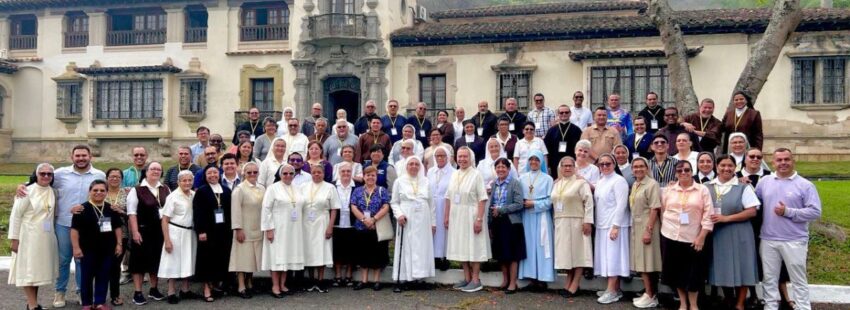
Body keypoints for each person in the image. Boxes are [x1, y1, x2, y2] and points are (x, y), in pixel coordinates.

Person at [756, 148, 821, 310]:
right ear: (773, 162)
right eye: (779, 160)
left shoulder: (805, 185)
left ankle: (803, 307)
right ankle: (770, 307)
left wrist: (789, 212)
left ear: (793, 161)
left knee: (798, 280)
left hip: (795, 240)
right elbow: (755, 203)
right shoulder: (764, 182)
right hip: (768, 239)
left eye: (787, 159)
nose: (783, 163)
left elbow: (815, 211)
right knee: (769, 279)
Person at [706, 155, 760, 310]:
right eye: (723, 165)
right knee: (723, 267)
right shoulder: (708, 186)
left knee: (743, 267)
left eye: (730, 165)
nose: (726, 168)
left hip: (740, 233)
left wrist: (726, 219)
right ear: (717, 167)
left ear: (735, 168)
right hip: (718, 235)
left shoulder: (743, 187)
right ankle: (729, 299)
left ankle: (740, 303)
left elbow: (751, 212)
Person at [661, 160, 714, 310]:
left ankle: (694, 305)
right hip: (671, 236)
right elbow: (664, 210)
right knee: (676, 273)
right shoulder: (669, 190)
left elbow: (708, 214)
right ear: (675, 173)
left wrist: (702, 236)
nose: (683, 173)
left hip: (693, 238)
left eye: (687, 170)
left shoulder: (702, 190)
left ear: (692, 171)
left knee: (693, 275)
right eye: (679, 170)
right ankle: (683, 304)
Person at [8, 163, 58, 310]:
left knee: (36, 272)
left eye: (49, 174)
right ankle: (33, 306)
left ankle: (32, 304)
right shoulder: (26, 191)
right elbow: (15, 216)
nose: (46, 176)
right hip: (27, 237)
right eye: (42, 173)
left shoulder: (52, 191)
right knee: (27, 271)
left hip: (45, 238)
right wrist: (14, 239)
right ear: (36, 175)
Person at [444, 147, 491, 293]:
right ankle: (467, 277)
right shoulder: (454, 174)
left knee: (474, 246)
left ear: (470, 158)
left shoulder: (476, 175)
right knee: (461, 247)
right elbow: (448, 197)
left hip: (472, 215)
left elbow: (482, 199)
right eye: (460, 156)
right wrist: (446, 216)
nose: (462, 159)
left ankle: (476, 280)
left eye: (465, 156)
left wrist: (479, 219)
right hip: (456, 216)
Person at [72, 180, 123, 310]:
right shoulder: (81, 209)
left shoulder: (111, 208)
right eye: (95, 190)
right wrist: (76, 248)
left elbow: (117, 228)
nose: (98, 193)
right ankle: (87, 303)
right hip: (87, 250)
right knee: (86, 277)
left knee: (103, 275)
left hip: (107, 249)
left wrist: (119, 244)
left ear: (106, 192)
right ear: (90, 192)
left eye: (102, 190)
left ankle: (100, 302)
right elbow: (74, 230)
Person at [126, 162, 169, 305]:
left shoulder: (165, 189)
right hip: (143, 230)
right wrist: (135, 232)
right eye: (153, 169)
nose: (156, 171)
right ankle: (137, 292)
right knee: (139, 263)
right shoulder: (137, 190)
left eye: (159, 169)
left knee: (155, 261)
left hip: (160, 231)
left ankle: (154, 289)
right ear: (146, 171)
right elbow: (132, 213)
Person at [390, 156, 435, 292]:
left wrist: (433, 223)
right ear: (406, 166)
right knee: (406, 247)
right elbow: (394, 202)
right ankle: (404, 278)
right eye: (411, 164)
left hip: (423, 219)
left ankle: (419, 278)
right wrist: (399, 215)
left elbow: (431, 204)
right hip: (406, 218)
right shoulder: (399, 181)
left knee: (422, 248)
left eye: (417, 164)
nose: (414, 166)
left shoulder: (426, 181)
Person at [551, 157, 593, 298]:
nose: (567, 168)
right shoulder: (557, 184)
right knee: (567, 255)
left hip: (577, 222)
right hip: (561, 222)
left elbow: (588, 202)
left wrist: (588, 221)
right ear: (560, 167)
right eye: (565, 166)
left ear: (575, 167)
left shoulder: (581, 183)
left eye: (570, 166)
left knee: (578, 253)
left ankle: (575, 284)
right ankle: (568, 281)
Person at [593, 154, 631, 304]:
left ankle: (611, 291)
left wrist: (615, 226)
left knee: (614, 258)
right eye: (601, 164)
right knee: (607, 258)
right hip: (602, 224)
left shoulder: (619, 181)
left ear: (614, 164)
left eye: (607, 164)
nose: (604, 166)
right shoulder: (601, 181)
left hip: (615, 225)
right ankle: (615, 289)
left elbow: (622, 205)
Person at [261, 164, 304, 298]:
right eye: (285, 173)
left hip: (293, 229)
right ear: (280, 174)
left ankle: (283, 284)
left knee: (287, 256)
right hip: (277, 228)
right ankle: (275, 286)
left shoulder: (297, 189)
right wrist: (269, 229)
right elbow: (266, 209)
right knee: (276, 257)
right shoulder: (272, 188)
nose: (288, 176)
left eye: (291, 173)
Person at [193, 165, 233, 302]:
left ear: (219, 174)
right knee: (206, 259)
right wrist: (201, 231)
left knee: (220, 258)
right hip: (208, 231)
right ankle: (206, 288)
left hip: (223, 231)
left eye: (215, 172)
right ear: (205, 176)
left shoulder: (227, 191)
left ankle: (215, 284)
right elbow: (198, 213)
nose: (212, 175)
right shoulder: (202, 191)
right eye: (209, 173)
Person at [157, 171, 197, 304]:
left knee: (187, 260)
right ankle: (171, 291)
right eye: (184, 180)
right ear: (178, 182)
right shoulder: (173, 197)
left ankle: (185, 290)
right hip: (175, 232)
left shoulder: (193, 195)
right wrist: (167, 240)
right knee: (173, 262)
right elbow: (164, 219)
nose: (187, 183)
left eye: (189, 180)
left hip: (189, 233)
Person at [627, 157, 663, 308]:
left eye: (641, 166)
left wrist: (648, 230)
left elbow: (655, 208)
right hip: (637, 224)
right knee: (642, 261)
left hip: (648, 225)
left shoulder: (652, 184)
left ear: (647, 168)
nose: (638, 169)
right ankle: (649, 293)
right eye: (635, 167)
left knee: (648, 262)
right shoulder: (636, 184)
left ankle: (651, 295)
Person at [350, 166, 392, 291]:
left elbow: (386, 207)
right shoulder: (357, 191)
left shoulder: (381, 190)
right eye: (368, 175)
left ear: (376, 177)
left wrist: (373, 220)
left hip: (377, 227)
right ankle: (363, 280)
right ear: (363, 176)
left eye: (373, 175)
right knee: (363, 253)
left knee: (378, 253)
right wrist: (364, 220)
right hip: (361, 227)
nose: (370, 177)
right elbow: (353, 206)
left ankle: (377, 281)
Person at [488, 158, 526, 294]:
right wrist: (489, 224)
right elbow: (490, 205)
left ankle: (512, 283)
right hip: (497, 222)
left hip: (511, 222)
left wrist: (501, 210)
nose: (500, 169)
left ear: (509, 169)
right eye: (498, 167)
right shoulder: (494, 185)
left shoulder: (515, 183)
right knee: (501, 254)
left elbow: (519, 204)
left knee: (512, 254)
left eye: (503, 167)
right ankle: (505, 281)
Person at [518, 151, 555, 291]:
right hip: (526, 217)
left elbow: (551, 200)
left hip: (542, 217)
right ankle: (532, 278)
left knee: (542, 246)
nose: (533, 162)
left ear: (541, 162)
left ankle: (542, 279)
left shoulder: (548, 179)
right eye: (531, 159)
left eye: (536, 159)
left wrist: (534, 204)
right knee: (529, 246)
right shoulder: (522, 178)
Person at [300, 164, 339, 293]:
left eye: (319, 173)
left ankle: (320, 281)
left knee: (321, 250)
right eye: (314, 172)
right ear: (311, 173)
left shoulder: (330, 187)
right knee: (309, 250)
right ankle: (311, 280)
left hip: (322, 221)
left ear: (323, 174)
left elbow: (334, 209)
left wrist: (330, 227)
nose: (316, 175)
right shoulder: (303, 187)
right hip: (306, 222)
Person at [228, 162, 264, 299]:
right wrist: (238, 229)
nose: (253, 175)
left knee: (253, 258)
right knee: (242, 258)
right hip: (244, 229)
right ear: (244, 173)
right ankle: (241, 285)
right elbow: (235, 210)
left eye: (255, 172)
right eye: (249, 172)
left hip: (258, 228)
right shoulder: (239, 189)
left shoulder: (262, 188)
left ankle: (250, 282)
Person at [104, 168, 131, 306]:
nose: (114, 179)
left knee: (115, 265)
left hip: (123, 234)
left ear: (121, 179)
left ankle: (115, 295)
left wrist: (121, 211)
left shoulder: (127, 193)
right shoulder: (100, 192)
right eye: (111, 176)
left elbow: (132, 214)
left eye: (117, 176)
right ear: (107, 178)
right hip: (102, 235)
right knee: (102, 266)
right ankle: (99, 296)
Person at [428, 146, 455, 271]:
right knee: (433, 232)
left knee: (444, 233)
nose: (440, 158)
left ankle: (445, 258)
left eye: (442, 155)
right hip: (432, 206)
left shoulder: (454, 172)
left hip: (446, 205)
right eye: (437, 156)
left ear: (448, 157)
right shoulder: (430, 171)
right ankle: (434, 258)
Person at [332, 163, 357, 287]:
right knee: (337, 250)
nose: (346, 173)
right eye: (343, 171)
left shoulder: (357, 186)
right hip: (337, 223)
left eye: (348, 171)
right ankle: (337, 275)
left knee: (351, 250)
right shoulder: (332, 186)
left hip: (352, 223)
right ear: (339, 172)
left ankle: (348, 275)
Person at [544, 105, 582, 179]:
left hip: (571, 163)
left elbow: (579, 149)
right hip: (555, 164)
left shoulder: (577, 130)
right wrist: (548, 165)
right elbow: (547, 149)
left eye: (566, 112)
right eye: (561, 113)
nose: (564, 114)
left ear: (570, 113)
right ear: (558, 114)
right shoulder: (551, 131)